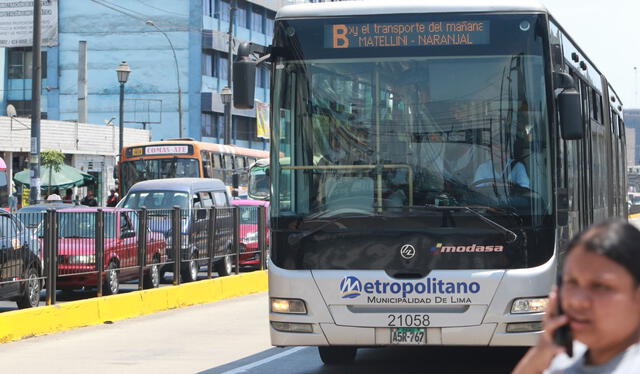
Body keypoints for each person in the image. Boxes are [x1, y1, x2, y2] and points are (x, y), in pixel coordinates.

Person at [512, 220, 640, 374]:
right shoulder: (566, 356)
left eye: (600, 286)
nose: (577, 301)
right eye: (571, 282)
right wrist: (541, 352)